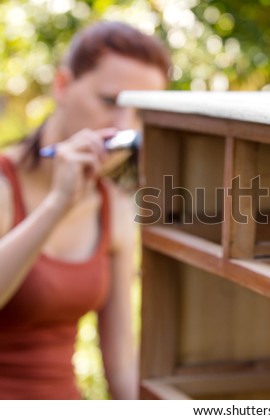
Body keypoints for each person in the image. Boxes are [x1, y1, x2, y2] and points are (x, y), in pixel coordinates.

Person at [0, 21, 170, 399]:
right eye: (110, 102)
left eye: (140, 113)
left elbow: (122, 367)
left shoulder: (116, 209)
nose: (122, 127)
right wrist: (58, 204)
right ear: (62, 86)